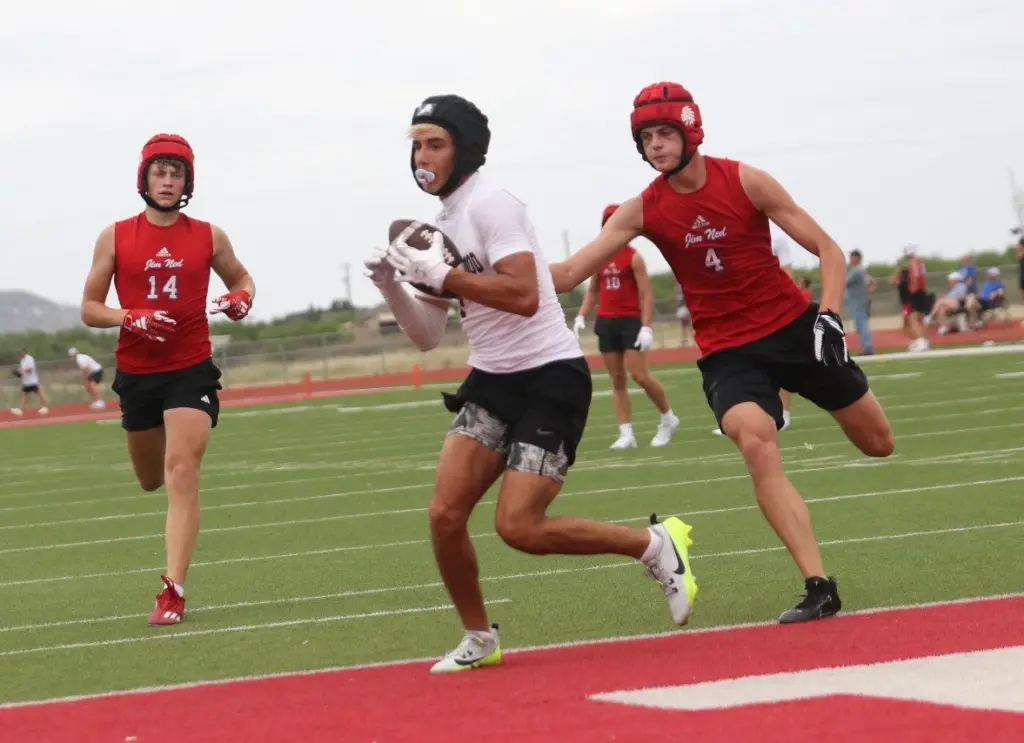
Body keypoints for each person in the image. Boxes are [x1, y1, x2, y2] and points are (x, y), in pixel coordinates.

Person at [362, 94, 699, 673]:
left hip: (550, 377)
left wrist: (445, 276)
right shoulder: (439, 226)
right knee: (444, 515)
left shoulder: (493, 204)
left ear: (465, 149)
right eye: (417, 146)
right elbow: (427, 337)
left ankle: (652, 545)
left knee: (518, 527)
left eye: (435, 144)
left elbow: (524, 295)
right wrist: (392, 286)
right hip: (492, 380)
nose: (422, 157)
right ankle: (479, 637)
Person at [550, 81, 896, 623]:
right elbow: (570, 272)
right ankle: (818, 585)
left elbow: (828, 250)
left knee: (878, 444)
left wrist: (829, 317)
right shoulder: (643, 208)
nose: (656, 144)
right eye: (646, 137)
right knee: (755, 441)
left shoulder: (746, 181)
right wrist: (480, 272)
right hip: (729, 350)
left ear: (690, 130)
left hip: (794, 330)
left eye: (665, 133)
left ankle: (798, 396)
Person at [79, 133, 255, 626]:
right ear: (144, 177)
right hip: (137, 372)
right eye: (159, 172)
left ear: (187, 183)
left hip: (190, 369)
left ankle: (173, 589)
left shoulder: (209, 236)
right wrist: (128, 316)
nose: (167, 181)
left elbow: (242, 279)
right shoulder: (115, 236)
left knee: (182, 469)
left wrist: (241, 299)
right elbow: (89, 308)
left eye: (176, 173)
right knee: (151, 478)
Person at [572, 204, 680, 450]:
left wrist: (647, 327)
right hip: (606, 322)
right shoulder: (598, 257)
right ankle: (626, 433)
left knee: (640, 375)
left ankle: (668, 417)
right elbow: (593, 291)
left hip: (630, 321)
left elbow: (646, 294)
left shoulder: (634, 257)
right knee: (617, 380)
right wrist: (581, 316)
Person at [844, 250, 875, 355]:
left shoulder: (857, 270)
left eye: (852, 257)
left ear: (857, 258)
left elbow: (845, 282)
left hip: (858, 301)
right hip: (857, 301)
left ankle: (867, 347)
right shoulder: (859, 270)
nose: (850, 259)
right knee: (860, 325)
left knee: (862, 324)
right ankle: (866, 347)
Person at [9, 350, 49, 416]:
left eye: (20, 353)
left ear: (24, 352)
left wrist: (20, 370)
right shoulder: (22, 360)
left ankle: (45, 407)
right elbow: (23, 371)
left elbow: (30, 369)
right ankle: (20, 410)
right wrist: (19, 374)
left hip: (32, 381)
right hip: (26, 381)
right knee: (24, 395)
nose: (19, 355)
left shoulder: (29, 359)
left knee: (39, 394)